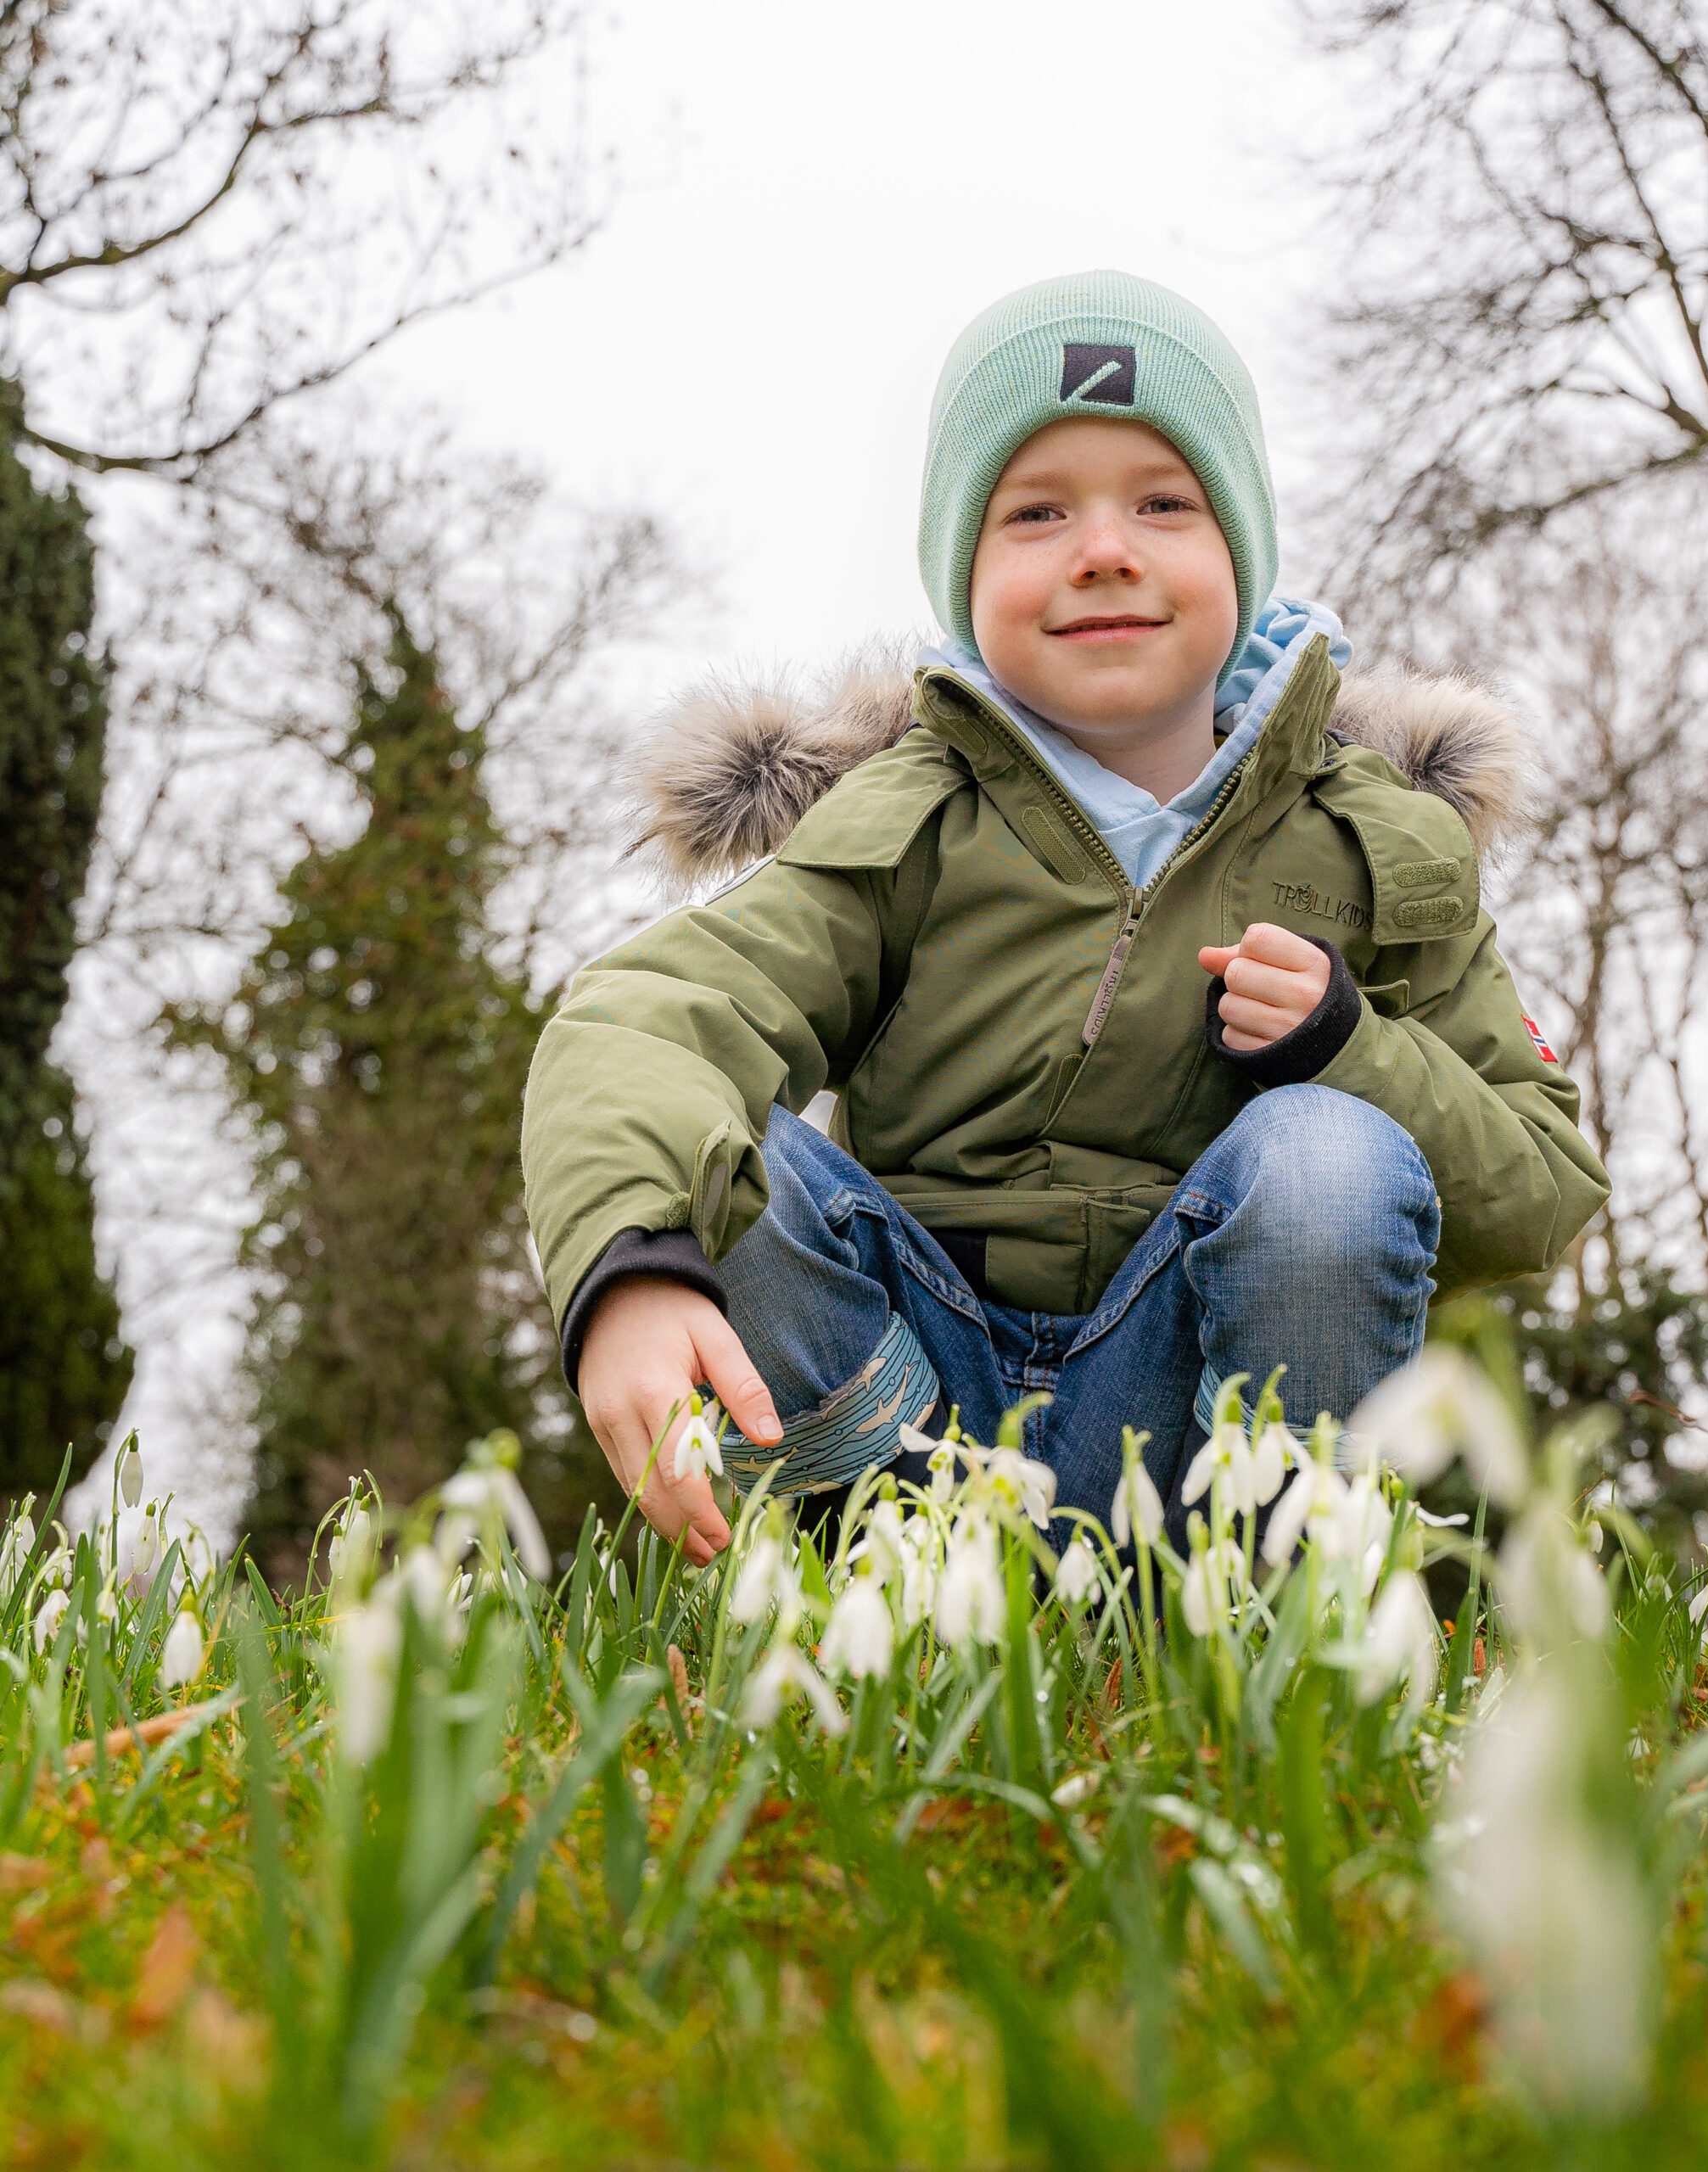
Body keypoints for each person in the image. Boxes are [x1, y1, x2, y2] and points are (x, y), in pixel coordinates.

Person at [519, 271, 1608, 1562]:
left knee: (1332, 1153)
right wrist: (633, 1266)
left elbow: (1538, 1192)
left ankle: (1267, 1585)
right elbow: (651, 1018)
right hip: (914, 1397)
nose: (1104, 549)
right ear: (963, 574)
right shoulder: (904, 822)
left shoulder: (1380, 848)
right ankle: (896, 1561)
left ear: (1240, 556)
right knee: (714, 1154)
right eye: (1036, 512)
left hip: (1188, 1430)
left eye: (1163, 502)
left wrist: (1348, 1049)